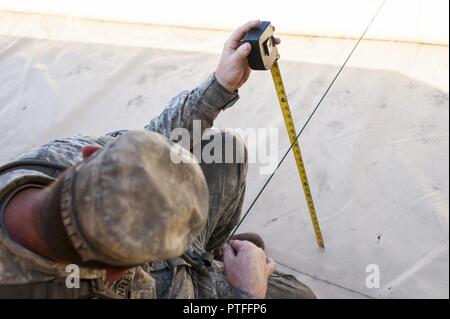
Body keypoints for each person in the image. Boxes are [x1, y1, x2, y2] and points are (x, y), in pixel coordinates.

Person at [0, 20, 316, 299]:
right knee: (299, 296)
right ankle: (220, 264)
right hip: (177, 287)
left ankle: (212, 253)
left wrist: (221, 85)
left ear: (91, 154)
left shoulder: (51, 160)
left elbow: (154, 142)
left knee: (224, 149)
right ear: (117, 276)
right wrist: (249, 289)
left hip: (160, 260)